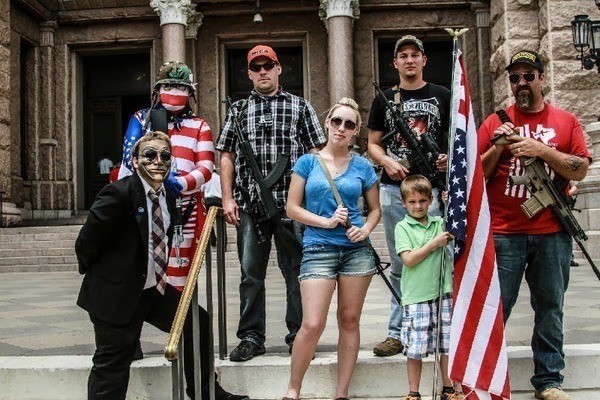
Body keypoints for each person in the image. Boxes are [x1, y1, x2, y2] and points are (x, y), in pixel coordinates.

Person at [76, 132, 247, 400]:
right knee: (113, 363)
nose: (158, 161)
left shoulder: (167, 196)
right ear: (134, 161)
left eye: (165, 156)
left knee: (196, 322)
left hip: (151, 289)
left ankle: (205, 392)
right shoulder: (118, 194)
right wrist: (109, 278)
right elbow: (86, 243)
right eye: (150, 155)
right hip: (114, 294)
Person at [478, 50, 591, 400]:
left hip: (551, 232)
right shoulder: (494, 121)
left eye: (528, 76)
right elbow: (476, 175)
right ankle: (486, 378)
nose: (521, 84)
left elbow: (579, 168)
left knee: (550, 307)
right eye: (515, 78)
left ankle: (549, 381)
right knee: (497, 308)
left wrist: (540, 150)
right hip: (504, 232)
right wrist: (500, 144)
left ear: (542, 78)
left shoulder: (565, 121)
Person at [217, 45, 327, 362]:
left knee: (296, 275)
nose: (263, 71)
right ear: (249, 73)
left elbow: (318, 152)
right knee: (251, 276)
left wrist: (315, 198)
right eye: (257, 67)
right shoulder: (237, 111)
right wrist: (227, 198)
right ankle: (251, 337)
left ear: (279, 68)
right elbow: (226, 155)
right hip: (251, 207)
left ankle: (298, 336)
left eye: (269, 66)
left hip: (292, 207)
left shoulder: (300, 107)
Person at [282, 98, 380, 400]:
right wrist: (325, 222)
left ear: (356, 131)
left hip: (356, 250)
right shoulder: (307, 162)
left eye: (349, 124)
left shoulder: (363, 165)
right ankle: (293, 390)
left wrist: (365, 228)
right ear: (327, 123)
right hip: (318, 247)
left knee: (349, 320)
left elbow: (374, 210)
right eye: (337, 121)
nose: (341, 128)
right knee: (312, 323)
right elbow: (292, 208)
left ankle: (341, 393)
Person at [367, 34, 450, 357]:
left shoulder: (441, 95)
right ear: (396, 63)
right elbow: (372, 142)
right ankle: (398, 332)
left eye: (416, 54)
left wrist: (445, 158)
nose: (410, 60)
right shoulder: (385, 99)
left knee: (438, 260)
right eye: (403, 55)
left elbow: (455, 139)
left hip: (432, 190)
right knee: (403, 263)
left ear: (424, 60)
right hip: (394, 190)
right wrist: (385, 159)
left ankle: (438, 326)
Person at [118, 61, 214, 291]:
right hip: (146, 206)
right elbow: (129, 156)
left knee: (179, 275)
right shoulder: (142, 119)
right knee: (142, 269)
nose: (174, 92)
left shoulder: (200, 125)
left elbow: (206, 167)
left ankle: (178, 323)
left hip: (184, 209)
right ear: (157, 90)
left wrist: (180, 184)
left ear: (190, 92)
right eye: (168, 86)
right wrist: (154, 182)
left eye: (181, 87)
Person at [393, 175, 458, 400]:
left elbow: (455, 222)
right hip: (417, 296)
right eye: (412, 202)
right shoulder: (402, 227)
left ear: (430, 200)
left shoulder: (439, 223)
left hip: (443, 292)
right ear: (403, 203)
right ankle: (413, 391)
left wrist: (450, 203)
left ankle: (448, 387)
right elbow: (409, 260)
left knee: (446, 344)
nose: (418, 206)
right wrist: (433, 244)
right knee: (416, 347)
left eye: (422, 201)